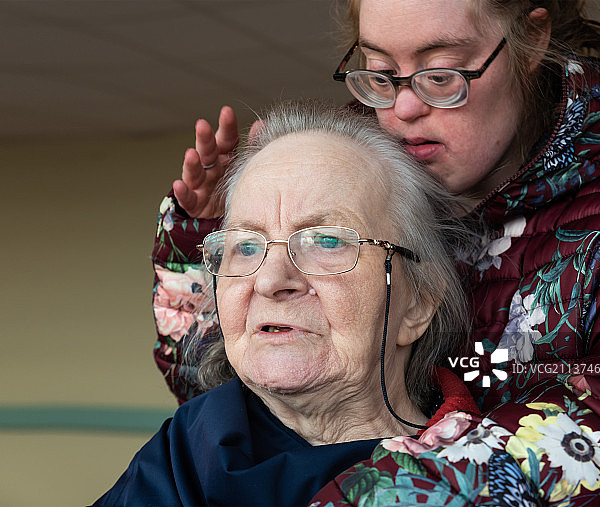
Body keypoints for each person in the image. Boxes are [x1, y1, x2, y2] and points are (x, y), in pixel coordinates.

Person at [150, 0, 600, 505]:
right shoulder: (359, 171)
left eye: (440, 74)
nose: (403, 108)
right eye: (382, 72)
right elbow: (238, 394)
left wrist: (391, 494)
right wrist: (209, 243)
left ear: (530, 41)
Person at [93, 101, 478, 506]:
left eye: (328, 240)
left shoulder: (481, 475)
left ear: (418, 302)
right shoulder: (184, 451)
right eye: (245, 245)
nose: (271, 280)